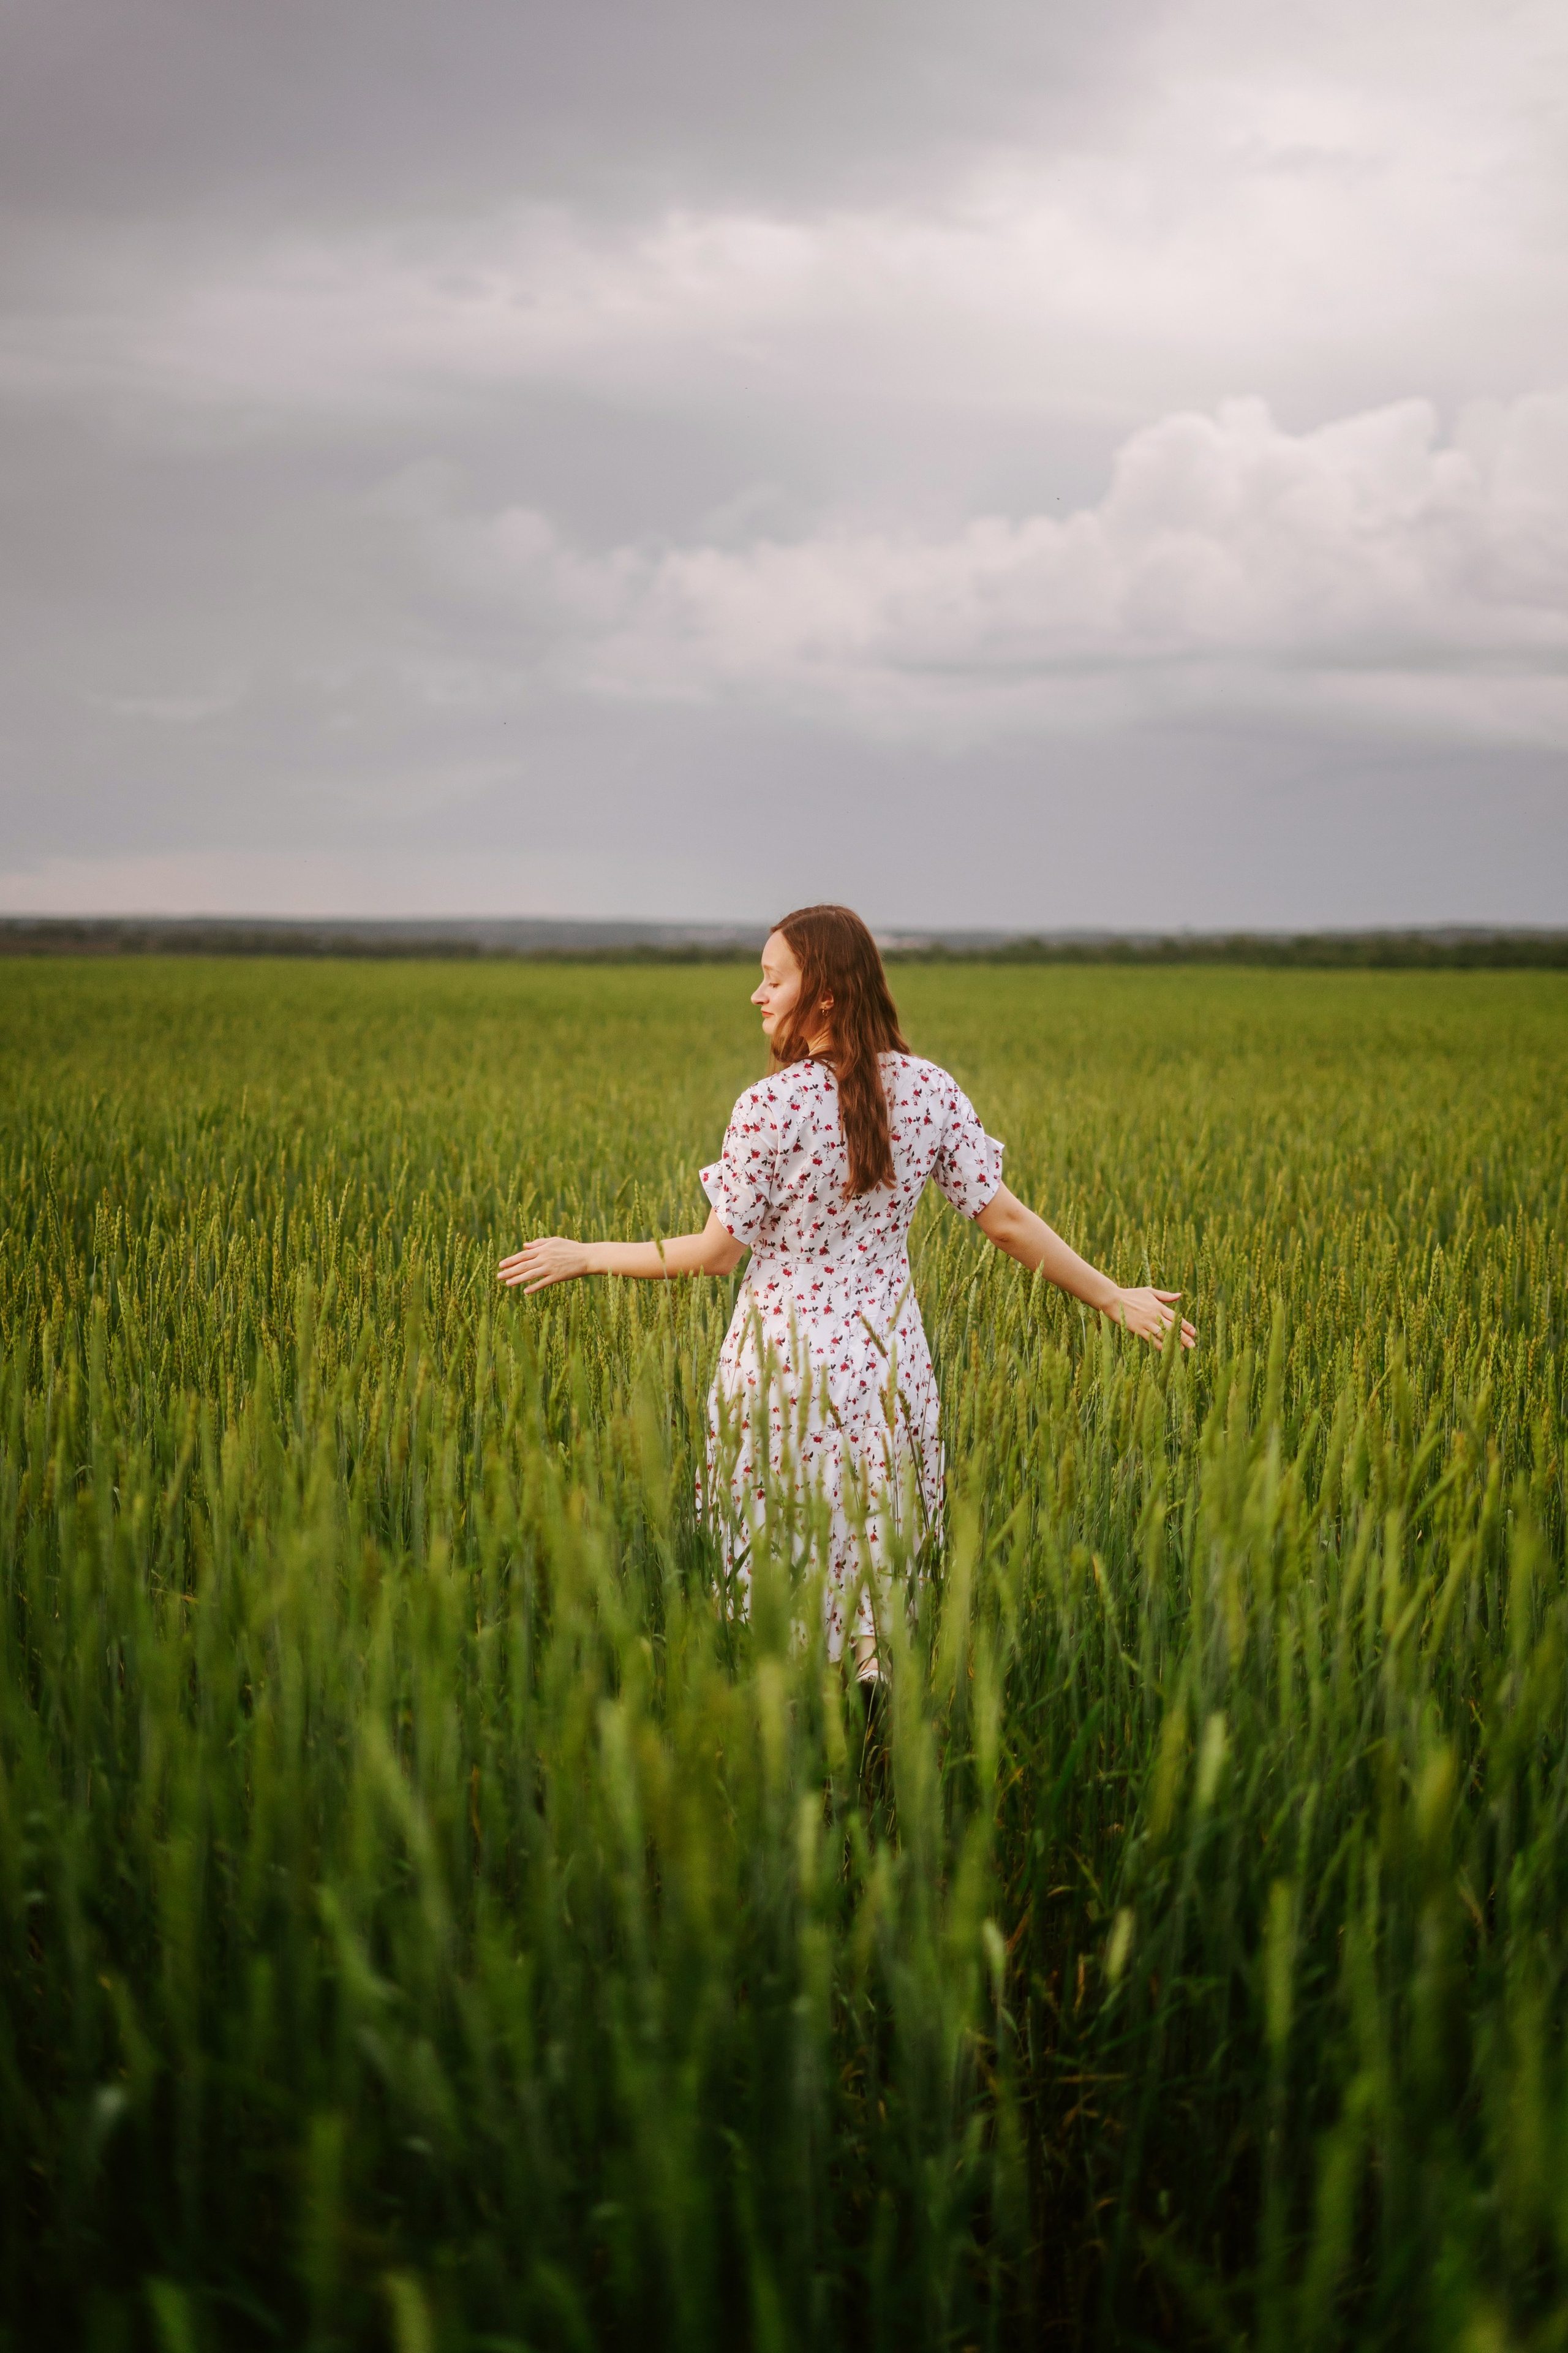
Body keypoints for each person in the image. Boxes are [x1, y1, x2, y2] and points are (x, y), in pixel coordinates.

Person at [498, 904, 1194, 1679]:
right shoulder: (929, 1091)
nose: (756, 996)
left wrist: (586, 1253)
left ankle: (801, 1753)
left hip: (778, 1369)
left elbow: (714, 1254)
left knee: (780, 1576)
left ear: (822, 994)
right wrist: (1111, 1297)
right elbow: (1005, 1222)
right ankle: (877, 1750)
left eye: (772, 979)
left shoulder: (768, 1106)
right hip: (885, 1366)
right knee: (876, 1574)